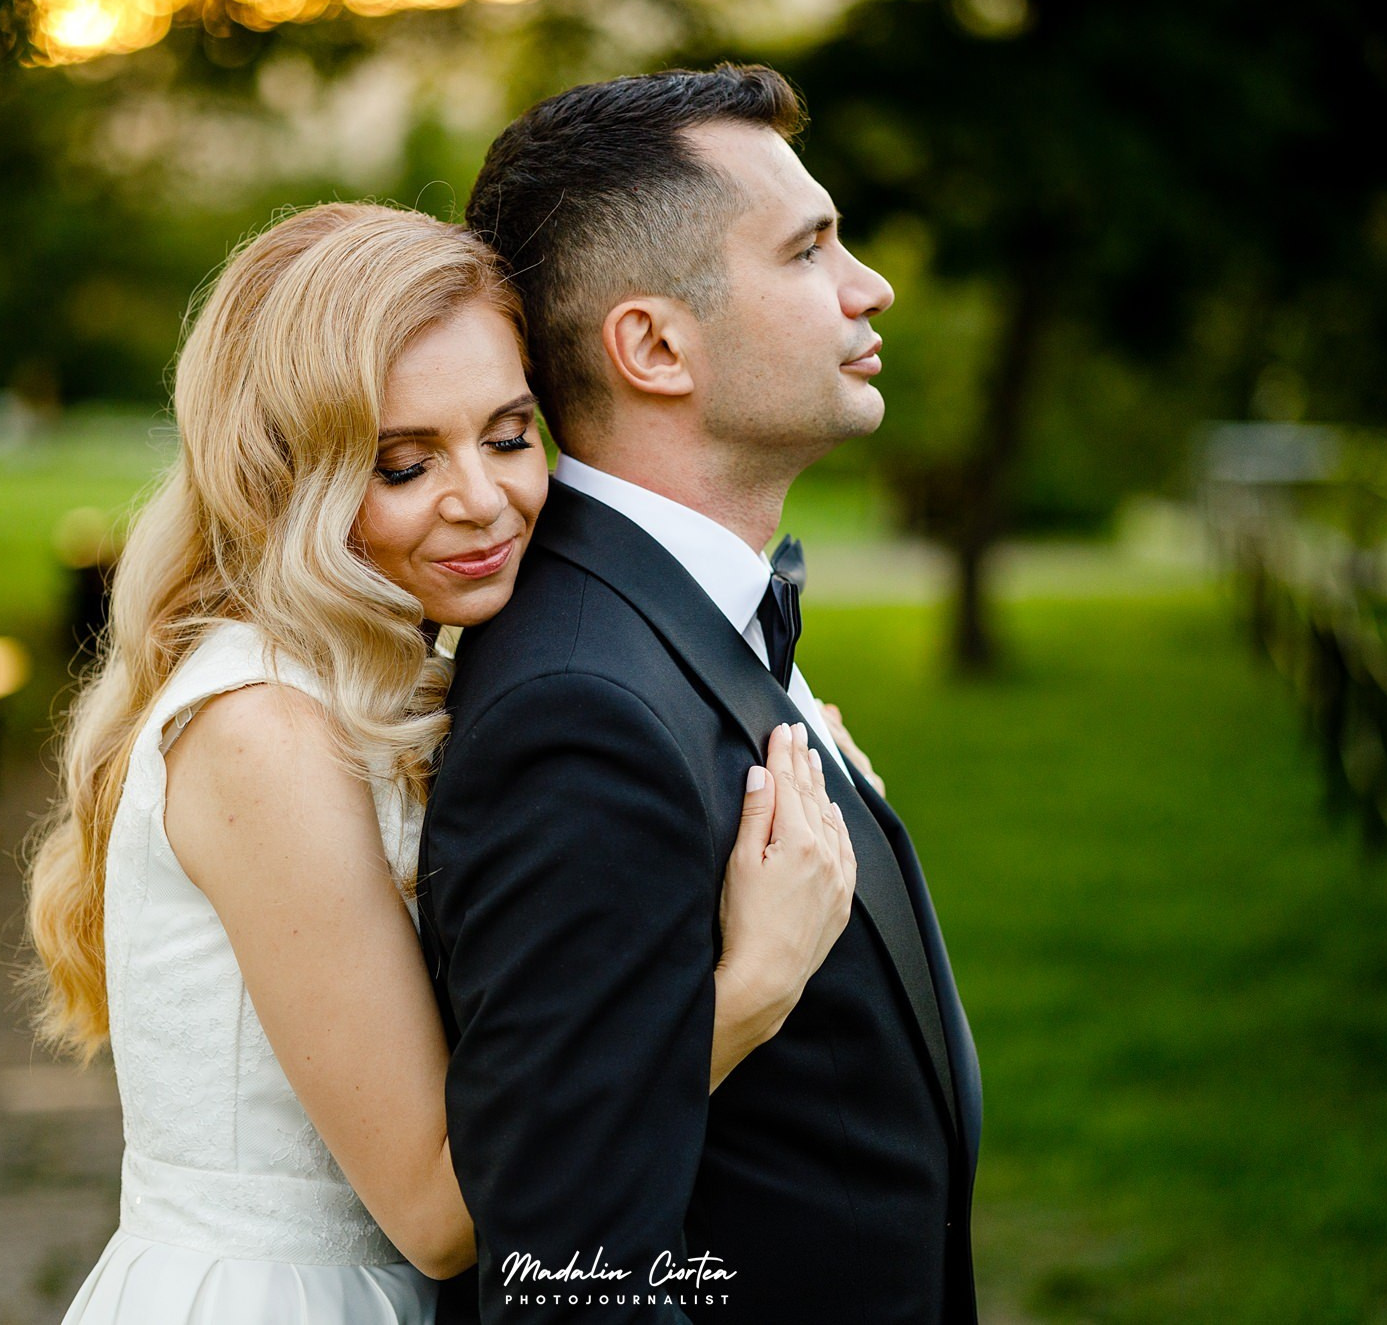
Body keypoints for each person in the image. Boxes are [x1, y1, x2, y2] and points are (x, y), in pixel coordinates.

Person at [22, 200, 865, 1324]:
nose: (481, 501)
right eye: (402, 464)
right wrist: (747, 990)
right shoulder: (261, 730)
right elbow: (430, 1201)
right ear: (283, 477)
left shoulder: (375, 670)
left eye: (509, 436)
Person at [418, 65, 984, 1324]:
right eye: (809, 249)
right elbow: (577, 1281)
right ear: (654, 346)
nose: (867, 285)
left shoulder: (677, 631)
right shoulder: (579, 715)